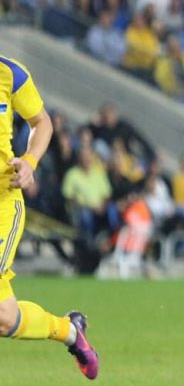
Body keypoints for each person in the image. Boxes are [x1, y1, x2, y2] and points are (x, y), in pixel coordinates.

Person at [0, 54, 99, 379]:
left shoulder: (10, 73)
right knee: (5, 318)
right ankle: (70, 331)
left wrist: (29, 161)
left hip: (2, 201)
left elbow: (42, 122)